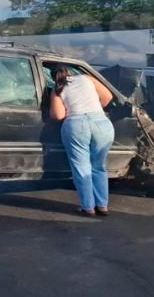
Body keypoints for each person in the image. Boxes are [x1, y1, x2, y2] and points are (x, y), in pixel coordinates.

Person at [48, 66, 115, 217]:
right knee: (99, 166)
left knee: (82, 168)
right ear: (71, 72)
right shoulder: (87, 78)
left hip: (77, 125)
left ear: (54, 77)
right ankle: (102, 205)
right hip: (101, 123)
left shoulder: (58, 88)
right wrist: (95, 108)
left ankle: (88, 207)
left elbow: (58, 115)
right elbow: (108, 97)